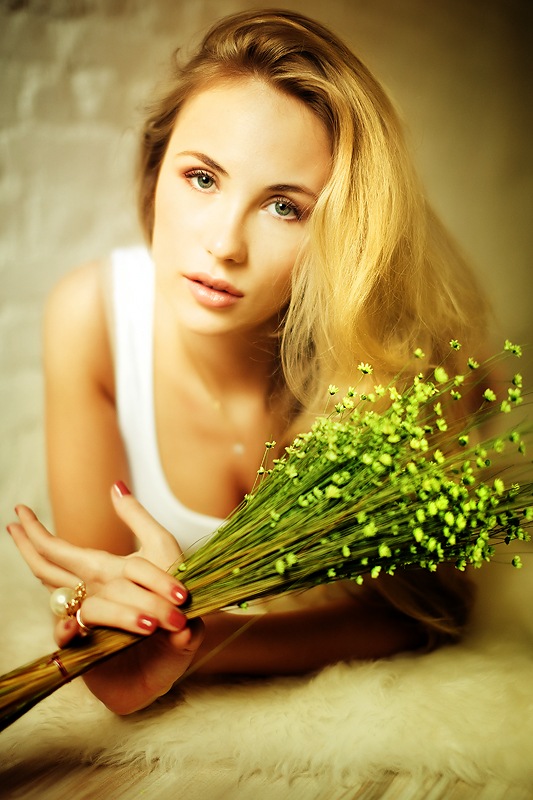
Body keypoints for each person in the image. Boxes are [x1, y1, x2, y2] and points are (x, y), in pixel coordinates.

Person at [8, 8, 488, 715]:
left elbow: (415, 613)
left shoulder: (381, 366)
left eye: (284, 207)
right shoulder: (92, 317)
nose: (224, 245)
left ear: (340, 231)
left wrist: (199, 647)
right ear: (155, 171)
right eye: (202, 179)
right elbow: (105, 601)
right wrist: (108, 625)